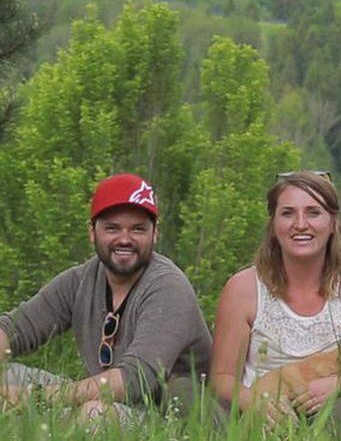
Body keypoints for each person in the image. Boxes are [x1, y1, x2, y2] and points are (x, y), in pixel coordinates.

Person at [0, 173, 212, 422]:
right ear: (92, 232)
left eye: (137, 229)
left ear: (155, 234)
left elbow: (136, 380)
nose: (125, 239)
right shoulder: (80, 280)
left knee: (94, 415)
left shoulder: (168, 287)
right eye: (112, 228)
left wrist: (33, 399)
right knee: (8, 375)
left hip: (169, 417)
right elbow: (14, 328)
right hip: (108, 403)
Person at [209, 170, 341, 426]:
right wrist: (256, 404)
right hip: (262, 416)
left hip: (334, 416)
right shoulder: (243, 289)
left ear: (333, 223)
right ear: (273, 225)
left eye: (314, 212)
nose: (301, 224)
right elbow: (222, 377)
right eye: (287, 213)